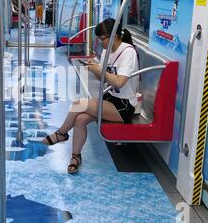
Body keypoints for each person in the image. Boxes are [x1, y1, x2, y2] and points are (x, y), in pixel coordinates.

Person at [42, 18, 139, 174]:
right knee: (80, 120)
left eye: (102, 39)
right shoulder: (108, 51)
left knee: (78, 104)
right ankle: (75, 157)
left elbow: (120, 82)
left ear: (113, 36)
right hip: (110, 98)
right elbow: (105, 78)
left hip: (124, 105)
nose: (101, 43)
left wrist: (100, 71)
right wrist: (95, 70)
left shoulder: (128, 52)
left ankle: (61, 134)